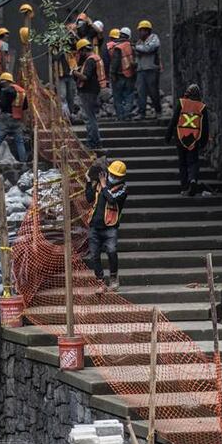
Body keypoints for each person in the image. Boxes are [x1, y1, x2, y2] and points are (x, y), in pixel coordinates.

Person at [84, 160, 128, 292]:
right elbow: (89, 198)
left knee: (111, 251)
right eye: (112, 174)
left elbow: (112, 199)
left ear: (122, 178)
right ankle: (100, 282)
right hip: (94, 226)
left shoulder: (123, 189)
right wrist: (88, 182)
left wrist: (104, 186)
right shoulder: (99, 183)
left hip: (110, 227)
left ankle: (113, 278)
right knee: (94, 255)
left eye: (117, 176)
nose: (113, 177)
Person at [165, 83, 210, 196]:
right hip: (194, 139)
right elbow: (205, 126)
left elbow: (174, 120)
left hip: (181, 137)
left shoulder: (182, 103)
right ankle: (193, 179)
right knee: (193, 161)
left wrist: (168, 135)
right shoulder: (201, 107)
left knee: (183, 163)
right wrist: (203, 142)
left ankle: (185, 186)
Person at [72, 38, 106, 150]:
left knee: (89, 118)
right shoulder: (96, 57)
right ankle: (96, 142)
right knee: (92, 117)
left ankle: (92, 142)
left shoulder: (90, 60)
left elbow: (85, 77)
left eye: (79, 52)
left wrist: (74, 72)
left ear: (82, 50)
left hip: (88, 91)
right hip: (93, 90)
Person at [0, 72, 28, 162]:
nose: (2, 84)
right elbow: (25, 107)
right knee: (19, 141)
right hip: (17, 118)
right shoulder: (22, 92)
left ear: (6, 81)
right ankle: (23, 160)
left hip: (5, 118)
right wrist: (24, 122)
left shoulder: (6, 91)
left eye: (2, 82)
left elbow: (2, 105)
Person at [134, 19, 162, 119]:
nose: (140, 32)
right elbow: (137, 54)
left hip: (151, 69)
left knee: (153, 92)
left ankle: (158, 111)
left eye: (142, 30)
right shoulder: (139, 42)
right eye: (140, 30)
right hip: (141, 70)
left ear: (147, 30)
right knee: (141, 92)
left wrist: (137, 48)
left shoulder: (154, 38)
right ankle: (142, 113)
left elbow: (149, 48)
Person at [109, 27, 136, 121]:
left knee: (118, 97)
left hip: (119, 75)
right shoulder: (132, 46)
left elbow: (115, 62)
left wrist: (112, 74)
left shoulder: (118, 47)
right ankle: (127, 114)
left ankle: (121, 116)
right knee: (129, 95)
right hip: (130, 75)